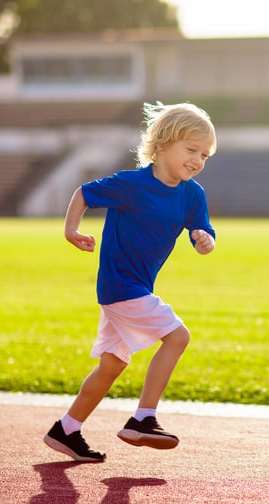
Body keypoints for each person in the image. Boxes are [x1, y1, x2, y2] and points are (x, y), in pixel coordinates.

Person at [43, 102, 217, 462]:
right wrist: (71, 230)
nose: (198, 160)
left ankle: (67, 429)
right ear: (164, 143)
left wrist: (204, 239)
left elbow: (203, 233)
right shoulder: (132, 184)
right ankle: (143, 418)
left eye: (204, 155)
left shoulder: (192, 194)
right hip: (121, 286)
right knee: (178, 336)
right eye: (191, 150)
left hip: (134, 290)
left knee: (112, 364)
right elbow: (84, 193)